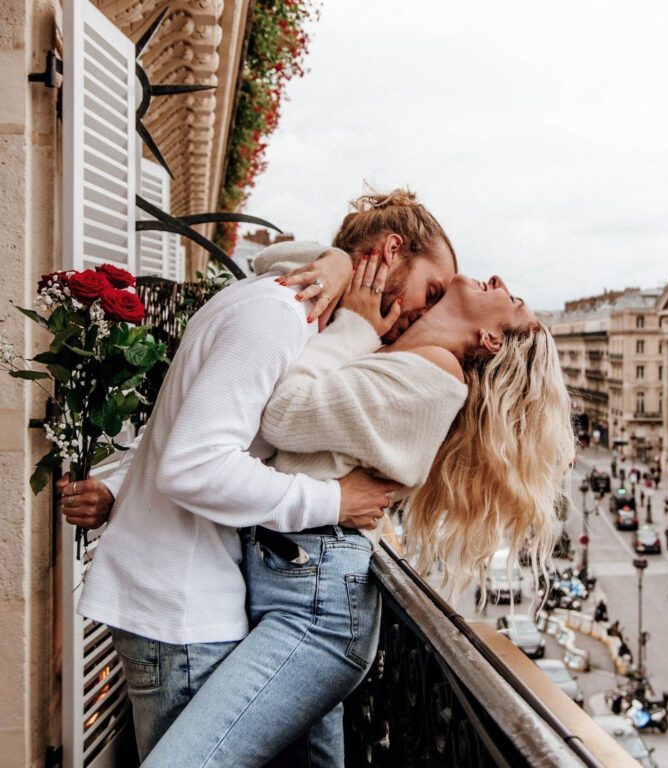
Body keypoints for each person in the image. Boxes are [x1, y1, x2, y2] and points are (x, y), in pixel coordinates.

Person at [73, 188, 459, 762]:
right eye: (430, 292)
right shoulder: (276, 314)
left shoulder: (285, 309)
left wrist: (119, 487)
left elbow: (189, 430)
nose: (426, 312)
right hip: (184, 609)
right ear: (389, 251)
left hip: (192, 597)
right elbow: (194, 465)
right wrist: (332, 502)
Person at [142, 268, 574, 766]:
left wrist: (353, 328)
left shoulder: (433, 373)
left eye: (512, 298)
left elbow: (282, 413)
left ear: (491, 339)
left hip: (316, 604)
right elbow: (292, 277)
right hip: (295, 580)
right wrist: (336, 264)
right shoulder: (406, 356)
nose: (498, 278)